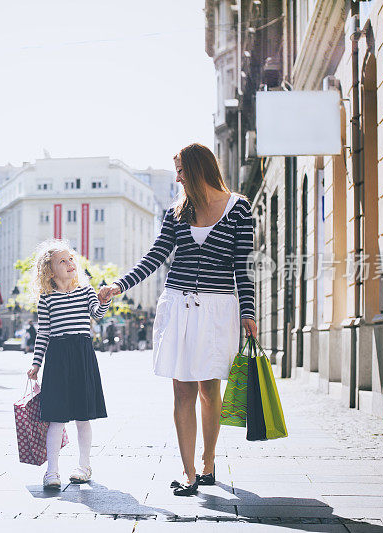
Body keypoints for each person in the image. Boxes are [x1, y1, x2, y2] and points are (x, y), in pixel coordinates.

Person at [99, 143, 256, 496]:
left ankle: (208, 462)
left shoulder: (239, 209)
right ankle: (188, 473)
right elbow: (156, 255)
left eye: (182, 171)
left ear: (199, 170)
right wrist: (118, 285)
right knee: (182, 388)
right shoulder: (176, 213)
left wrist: (248, 311)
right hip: (178, 305)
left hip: (218, 308)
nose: (178, 178)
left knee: (208, 387)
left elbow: (242, 267)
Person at [26, 240, 111, 490]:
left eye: (71, 259)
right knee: (56, 418)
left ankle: (84, 466)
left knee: (83, 417)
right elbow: (43, 333)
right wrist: (36, 363)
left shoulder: (85, 291)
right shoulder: (46, 299)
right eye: (62, 261)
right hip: (57, 357)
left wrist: (103, 299)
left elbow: (96, 313)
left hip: (82, 354)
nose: (70, 263)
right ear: (50, 271)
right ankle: (52, 471)